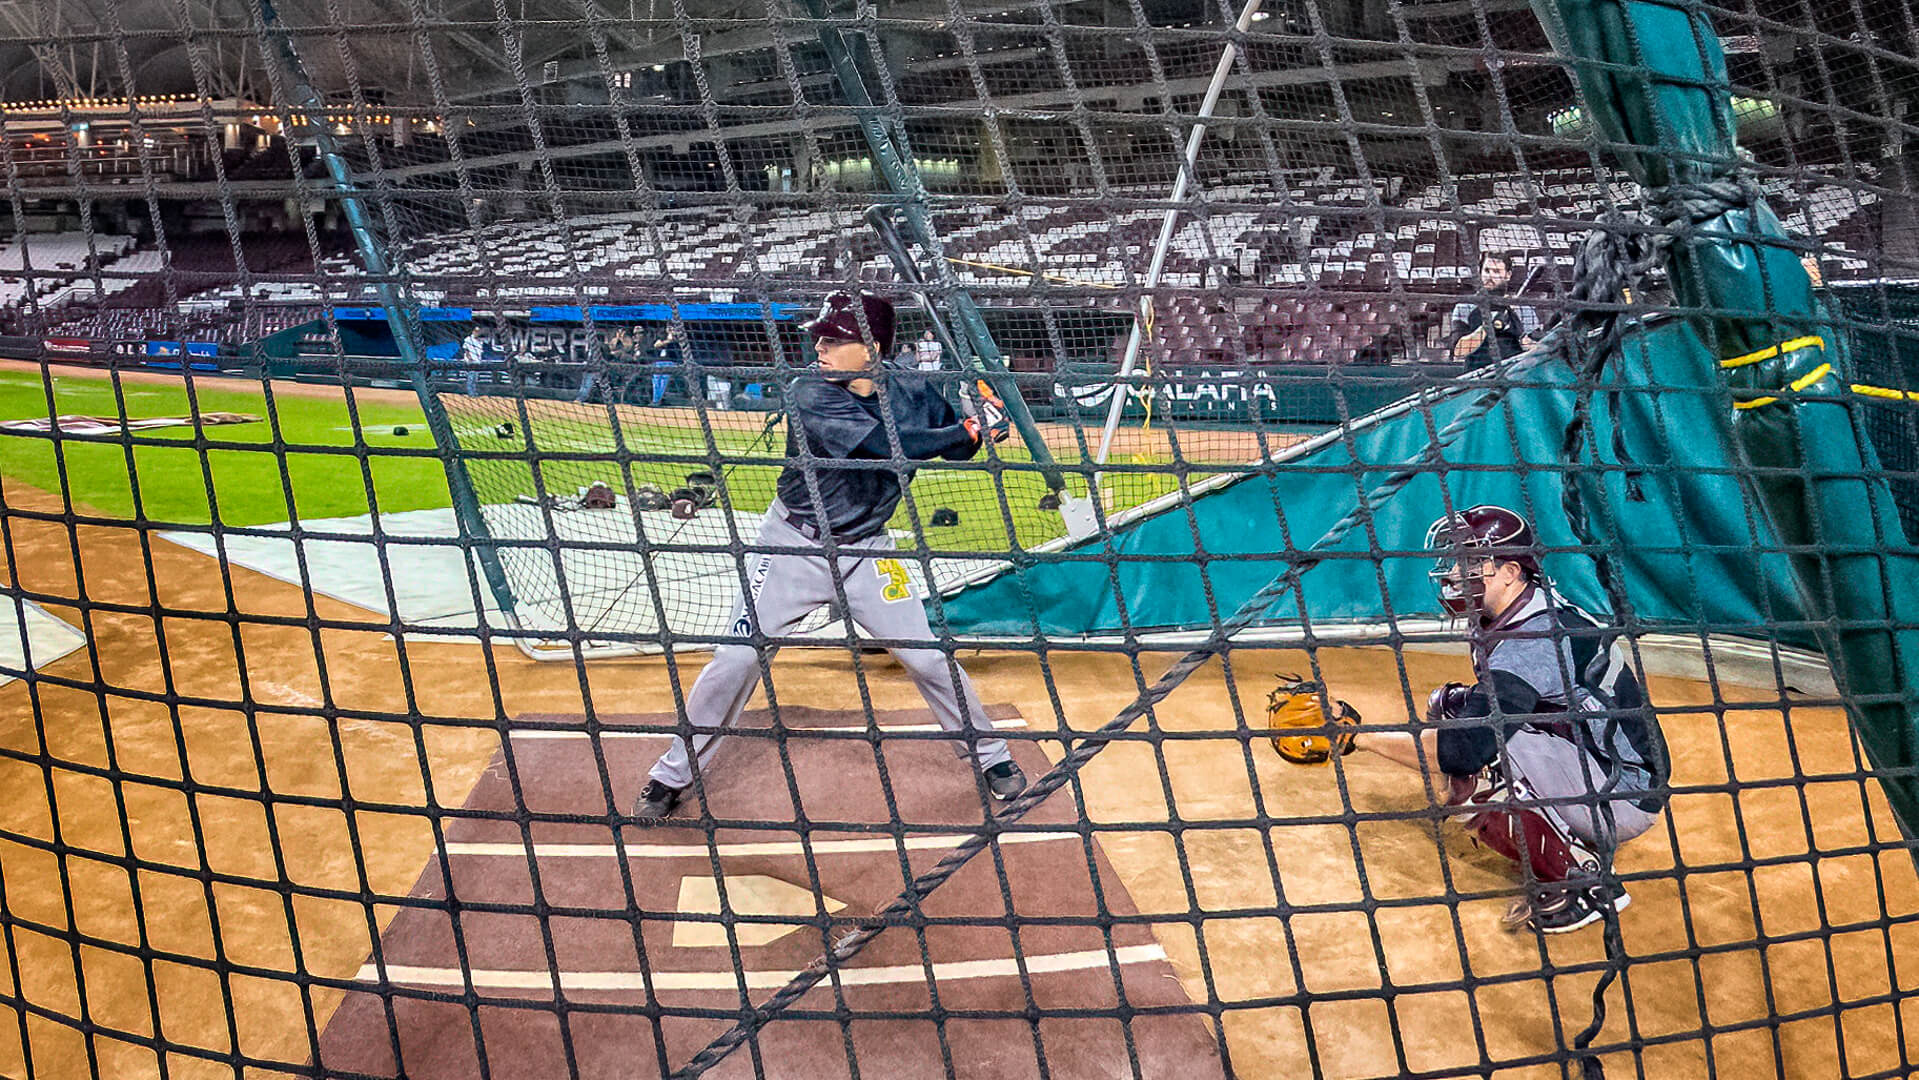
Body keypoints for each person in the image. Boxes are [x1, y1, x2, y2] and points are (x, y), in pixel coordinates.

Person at [634, 291, 1027, 820]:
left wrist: (980, 424)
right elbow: (884, 446)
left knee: (928, 654)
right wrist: (963, 428)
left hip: (867, 548)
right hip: (792, 545)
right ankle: (671, 774)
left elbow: (955, 445)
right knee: (737, 657)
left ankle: (990, 756)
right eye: (820, 336)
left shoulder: (914, 390)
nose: (818, 346)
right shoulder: (810, 393)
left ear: (873, 347)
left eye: (834, 338)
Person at [1354, 505, 1669, 933]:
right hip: (1606, 765)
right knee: (1453, 704)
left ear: (1509, 572)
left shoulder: (1531, 639)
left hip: (1623, 794)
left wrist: (1358, 737)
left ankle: (1582, 884)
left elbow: (1462, 750)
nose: (1453, 573)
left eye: (1471, 561)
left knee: (1483, 750)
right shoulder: (1522, 610)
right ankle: (1562, 824)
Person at [1449, 254, 1541, 362]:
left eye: (1496, 272)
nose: (1490, 276)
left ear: (1508, 275)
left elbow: (1540, 351)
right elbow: (1458, 351)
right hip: (1477, 372)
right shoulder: (1465, 307)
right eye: (1487, 271)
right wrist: (1487, 326)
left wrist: (1525, 342)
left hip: (1513, 372)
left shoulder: (1523, 310)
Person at [576, 327, 633, 404]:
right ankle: (581, 398)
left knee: (602, 382)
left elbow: (626, 351)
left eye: (622, 331)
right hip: (601, 368)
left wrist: (620, 340)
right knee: (589, 379)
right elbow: (610, 352)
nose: (620, 333)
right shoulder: (607, 345)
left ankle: (583, 398)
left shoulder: (625, 345)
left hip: (613, 371)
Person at [648, 325, 684, 405]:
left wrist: (672, 339)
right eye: (669, 328)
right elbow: (656, 345)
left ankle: (657, 401)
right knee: (656, 380)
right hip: (658, 362)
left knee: (663, 381)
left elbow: (678, 351)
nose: (671, 330)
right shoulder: (662, 337)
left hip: (670, 362)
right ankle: (656, 400)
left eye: (672, 328)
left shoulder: (678, 338)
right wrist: (667, 340)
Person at [460, 321, 495, 396]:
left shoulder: (480, 340)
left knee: (475, 378)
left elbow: (488, 338)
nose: (477, 333)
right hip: (470, 362)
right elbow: (466, 350)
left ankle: (474, 392)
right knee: (470, 378)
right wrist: (469, 359)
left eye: (478, 332)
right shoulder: (468, 339)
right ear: (473, 332)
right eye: (476, 331)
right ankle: (470, 393)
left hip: (477, 361)